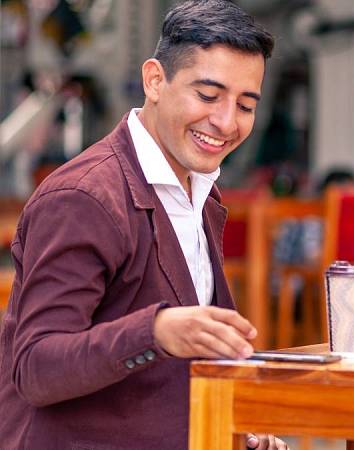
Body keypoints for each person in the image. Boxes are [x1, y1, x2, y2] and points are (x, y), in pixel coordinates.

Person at [0, 1, 288, 449]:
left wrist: (233, 427)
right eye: (208, 96)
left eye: (245, 105)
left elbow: (170, 373)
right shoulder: (84, 197)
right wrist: (155, 331)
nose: (226, 122)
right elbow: (36, 369)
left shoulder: (199, 191)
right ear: (154, 80)